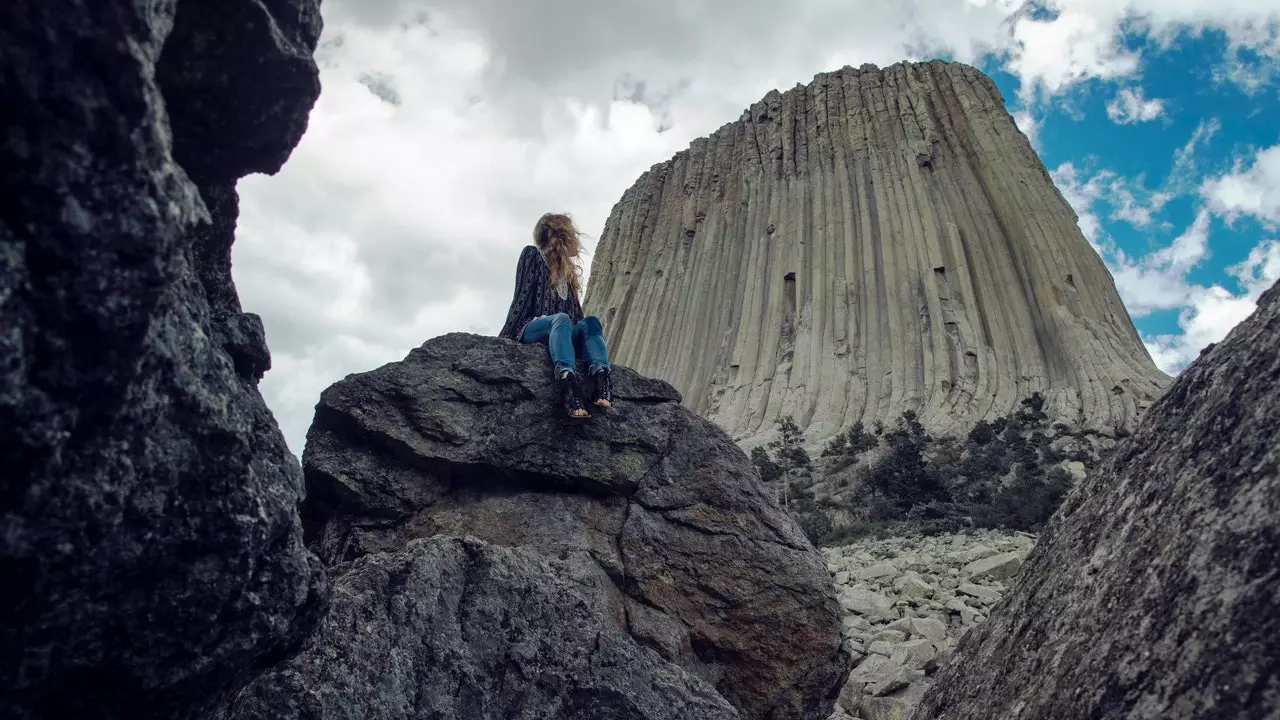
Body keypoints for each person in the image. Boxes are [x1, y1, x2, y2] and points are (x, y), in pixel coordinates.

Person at [499, 212, 612, 418]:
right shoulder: (532, 255)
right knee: (561, 318)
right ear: (561, 235)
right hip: (532, 328)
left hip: (562, 331)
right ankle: (568, 385)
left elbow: (577, 318)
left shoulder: (567, 275)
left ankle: (602, 377)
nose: (577, 238)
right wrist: (504, 341)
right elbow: (521, 299)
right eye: (573, 233)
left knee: (591, 322)